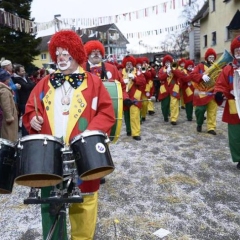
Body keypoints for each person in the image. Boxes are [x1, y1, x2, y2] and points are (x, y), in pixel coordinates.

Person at [22, 30, 115, 240]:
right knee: (50, 204)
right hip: (49, 156)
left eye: (65, 53)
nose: (61, 58)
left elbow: (107, 112)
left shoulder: (93, 82)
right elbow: (30, 108)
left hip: (82, 154)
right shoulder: (45, 83)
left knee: (84, 203)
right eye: (57, 54)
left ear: (75, 53)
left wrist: (90, 134)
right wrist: (32, 119)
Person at [214, 35, 240, 169]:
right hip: (233, 106)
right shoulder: (228, 69)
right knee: (235, 136)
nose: (239, 53)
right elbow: (220, 84)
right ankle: (239, 158)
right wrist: (219, 93)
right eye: (237, 51)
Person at [190, 48, 218, 135]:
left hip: (213, 92)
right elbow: (192, 75)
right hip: (202, 92)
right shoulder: (200, 66)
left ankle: (211, 127)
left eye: (213, 57)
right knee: (200, 110)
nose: (211, 59)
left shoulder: (217, 67)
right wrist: (201, 76)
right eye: (210, 57)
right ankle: (199, 123)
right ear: (206, 58)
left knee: (212, 111)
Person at [121, 55, 146, 140]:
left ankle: (136, 133)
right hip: (125, 96)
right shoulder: (121, 72)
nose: (128, 65)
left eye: (130, 63)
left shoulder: (138, 72)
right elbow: (117, 82)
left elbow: (143, 81)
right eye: (127, 63)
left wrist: (135, 78)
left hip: (135, 95)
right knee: (127, 114)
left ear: (133, 64)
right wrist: (122, 82)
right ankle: (129, 130)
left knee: (135, 115)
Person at [12, 64, 36, 136]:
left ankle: (28, 132)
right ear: (17, 72)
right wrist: (30, 84)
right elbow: (26, 86)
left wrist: (30, 84)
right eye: (22, 71)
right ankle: (24, 134)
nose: (24, 72)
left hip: (28, 99)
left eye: (24, 70)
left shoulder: (25, 76)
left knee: (28, 116)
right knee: (25, 117)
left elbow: (33, 84)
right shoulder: (16, 79)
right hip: (23, 101)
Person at [0, 69, 18, 142]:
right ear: (5, 79)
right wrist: (9, 117)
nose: (10, 79)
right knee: (9, 137)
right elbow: (6, 106)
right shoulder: (4, 91)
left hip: (11, 115)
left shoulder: (5, 89)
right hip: (9, 118)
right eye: (8, 78)